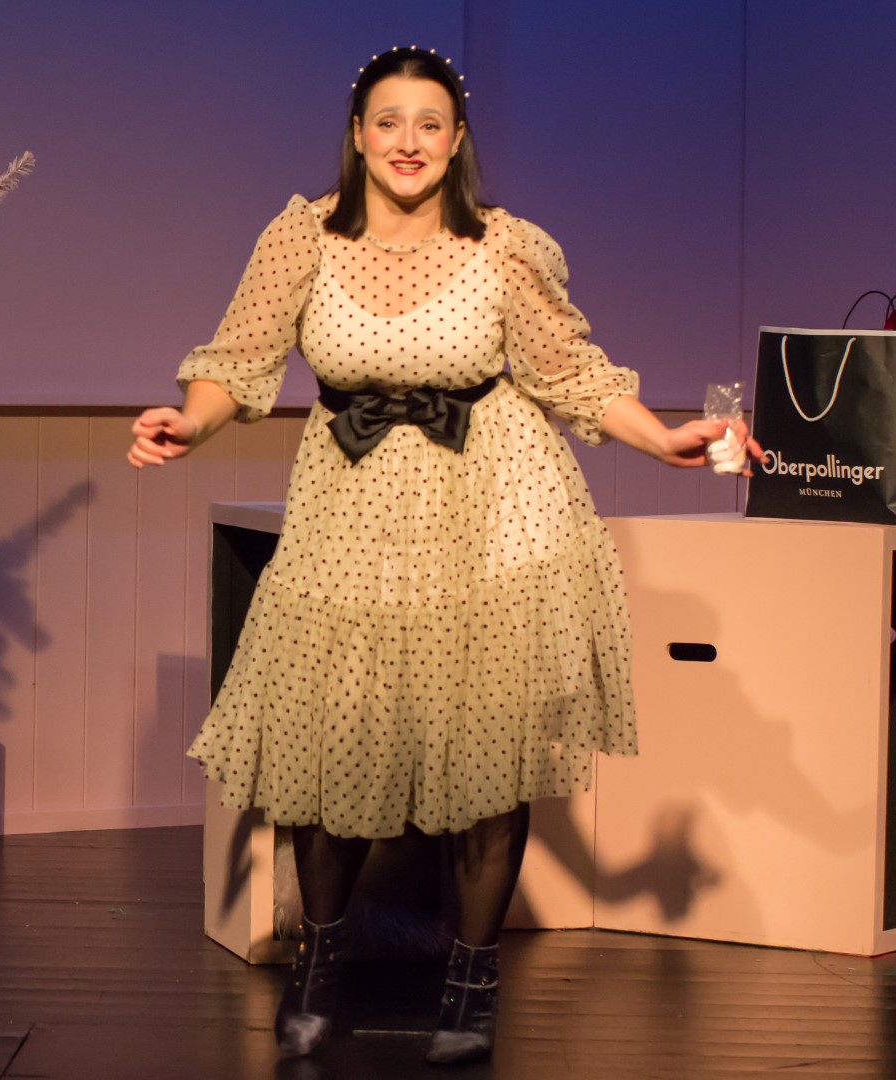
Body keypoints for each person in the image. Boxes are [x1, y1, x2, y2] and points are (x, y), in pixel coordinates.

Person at [128, 47, 758, 1065]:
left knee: (486, 749)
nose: (408, 142)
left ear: (458, 139)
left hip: (491, 501)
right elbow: (238, 359)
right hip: (350, 503)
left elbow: (570, 372)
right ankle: (319, 963)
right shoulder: (301, 237)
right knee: (334, 735)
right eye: (389, 121)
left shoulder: (503, 245)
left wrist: (666, 440)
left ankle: (471, 985)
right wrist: (187, 425)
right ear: (358, 134)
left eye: (430, 123)